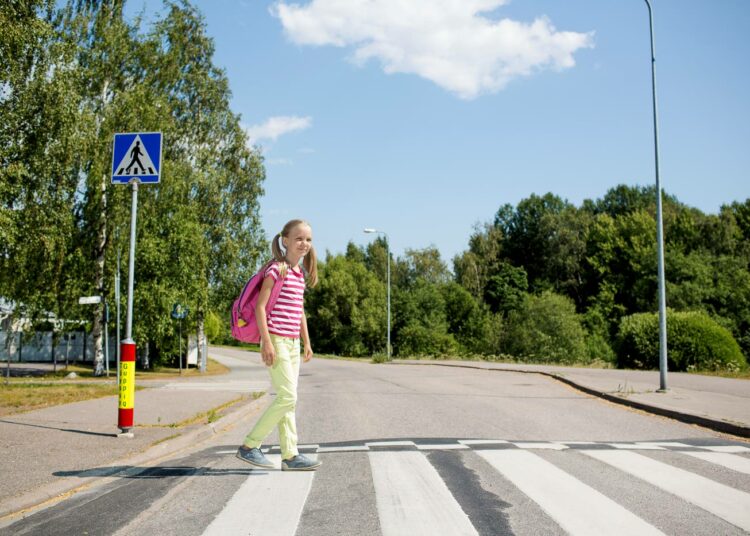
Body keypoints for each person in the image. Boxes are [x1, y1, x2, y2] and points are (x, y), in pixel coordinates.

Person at [236, 219, 321, 471]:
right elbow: (261, 307)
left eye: (308, 239)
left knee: (289, 400)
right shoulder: (277, 269)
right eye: (298, 238)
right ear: (285, 241)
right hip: (276, 339)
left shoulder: (298, 273)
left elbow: (300, 311)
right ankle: (250, 446)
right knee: (287, 396)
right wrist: (266, 343)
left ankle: (290, 455)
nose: (304, 243)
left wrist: (306, 341)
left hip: (293, 342)